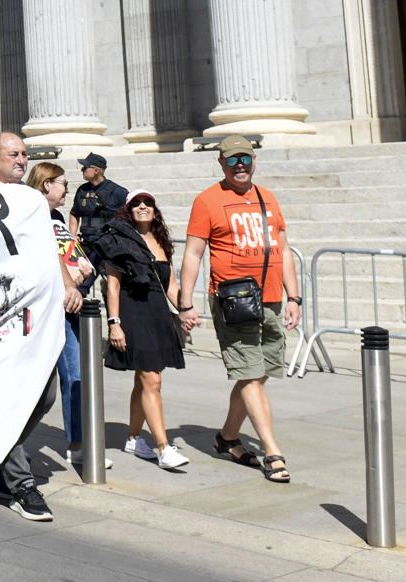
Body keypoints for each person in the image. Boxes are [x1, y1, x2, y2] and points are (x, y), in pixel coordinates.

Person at [178, 136, 301, 484]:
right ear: (221, 164)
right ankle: (272, 451)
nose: (240, 166)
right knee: (249, 373)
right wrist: (185, 303)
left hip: (273, 298)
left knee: (260, 372)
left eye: (245, 158)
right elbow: (192, 255)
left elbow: (285, 249)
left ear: (254, 159)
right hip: (234, 300)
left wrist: (295, 297)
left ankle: (227, 438)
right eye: (232, 161)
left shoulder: (268, 198)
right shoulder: (207, 201)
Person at [0, 132, 75, 520]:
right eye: (13, 154)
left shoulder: (33, 200)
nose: (21, 160)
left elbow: (48, 249)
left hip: (35, 316)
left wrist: (66, 282)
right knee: (7, 394)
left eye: (25, 154)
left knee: (44, 394)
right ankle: (21, 484)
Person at [104, 191, 189, 471]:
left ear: (155, 210)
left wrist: (186, 308)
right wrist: (114, 323)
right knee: (152, 379)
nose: (143, 207)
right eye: (137, 204)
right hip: (132, 313)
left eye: (148, 203)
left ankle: (133, 439)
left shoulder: (162, 242)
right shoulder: (120, 239)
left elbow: (171, 286)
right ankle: (163, 448)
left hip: (157, 315)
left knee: (144, 380)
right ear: (128, 210)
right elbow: (112, 285)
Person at [27, 162, 94, 474]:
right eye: (64, 184)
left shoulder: (56, 218)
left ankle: (79, 445)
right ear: (46, 185)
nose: (68, 189)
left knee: (76, 375)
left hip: (70, 304)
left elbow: (69, 253)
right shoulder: (31, 215)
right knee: (40, 385)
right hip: (46, 307)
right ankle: (11, 447)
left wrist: (81, 273)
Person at [68, 152, 127, 284]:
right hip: (87, 245)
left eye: (85, 168)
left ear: (96, 170)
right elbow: (74, 213)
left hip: (107, 247)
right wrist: (72, 237)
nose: (82, 170)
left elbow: (129, 214)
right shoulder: (82, 190)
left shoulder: (117, 192)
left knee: (115, 286)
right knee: (79, 284)